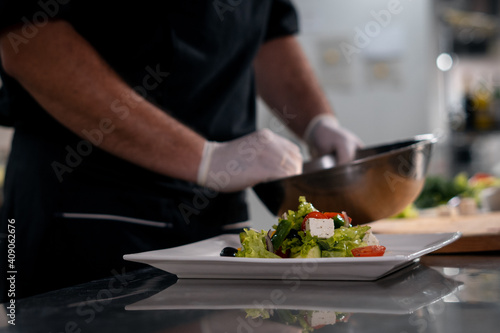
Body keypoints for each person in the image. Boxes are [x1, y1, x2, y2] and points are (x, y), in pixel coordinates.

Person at [0, 0, 362, 300]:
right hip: (85, 209)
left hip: (217, 215)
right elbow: (28, 41)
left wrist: (317, 122)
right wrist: (204, 158)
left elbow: (269, 32)